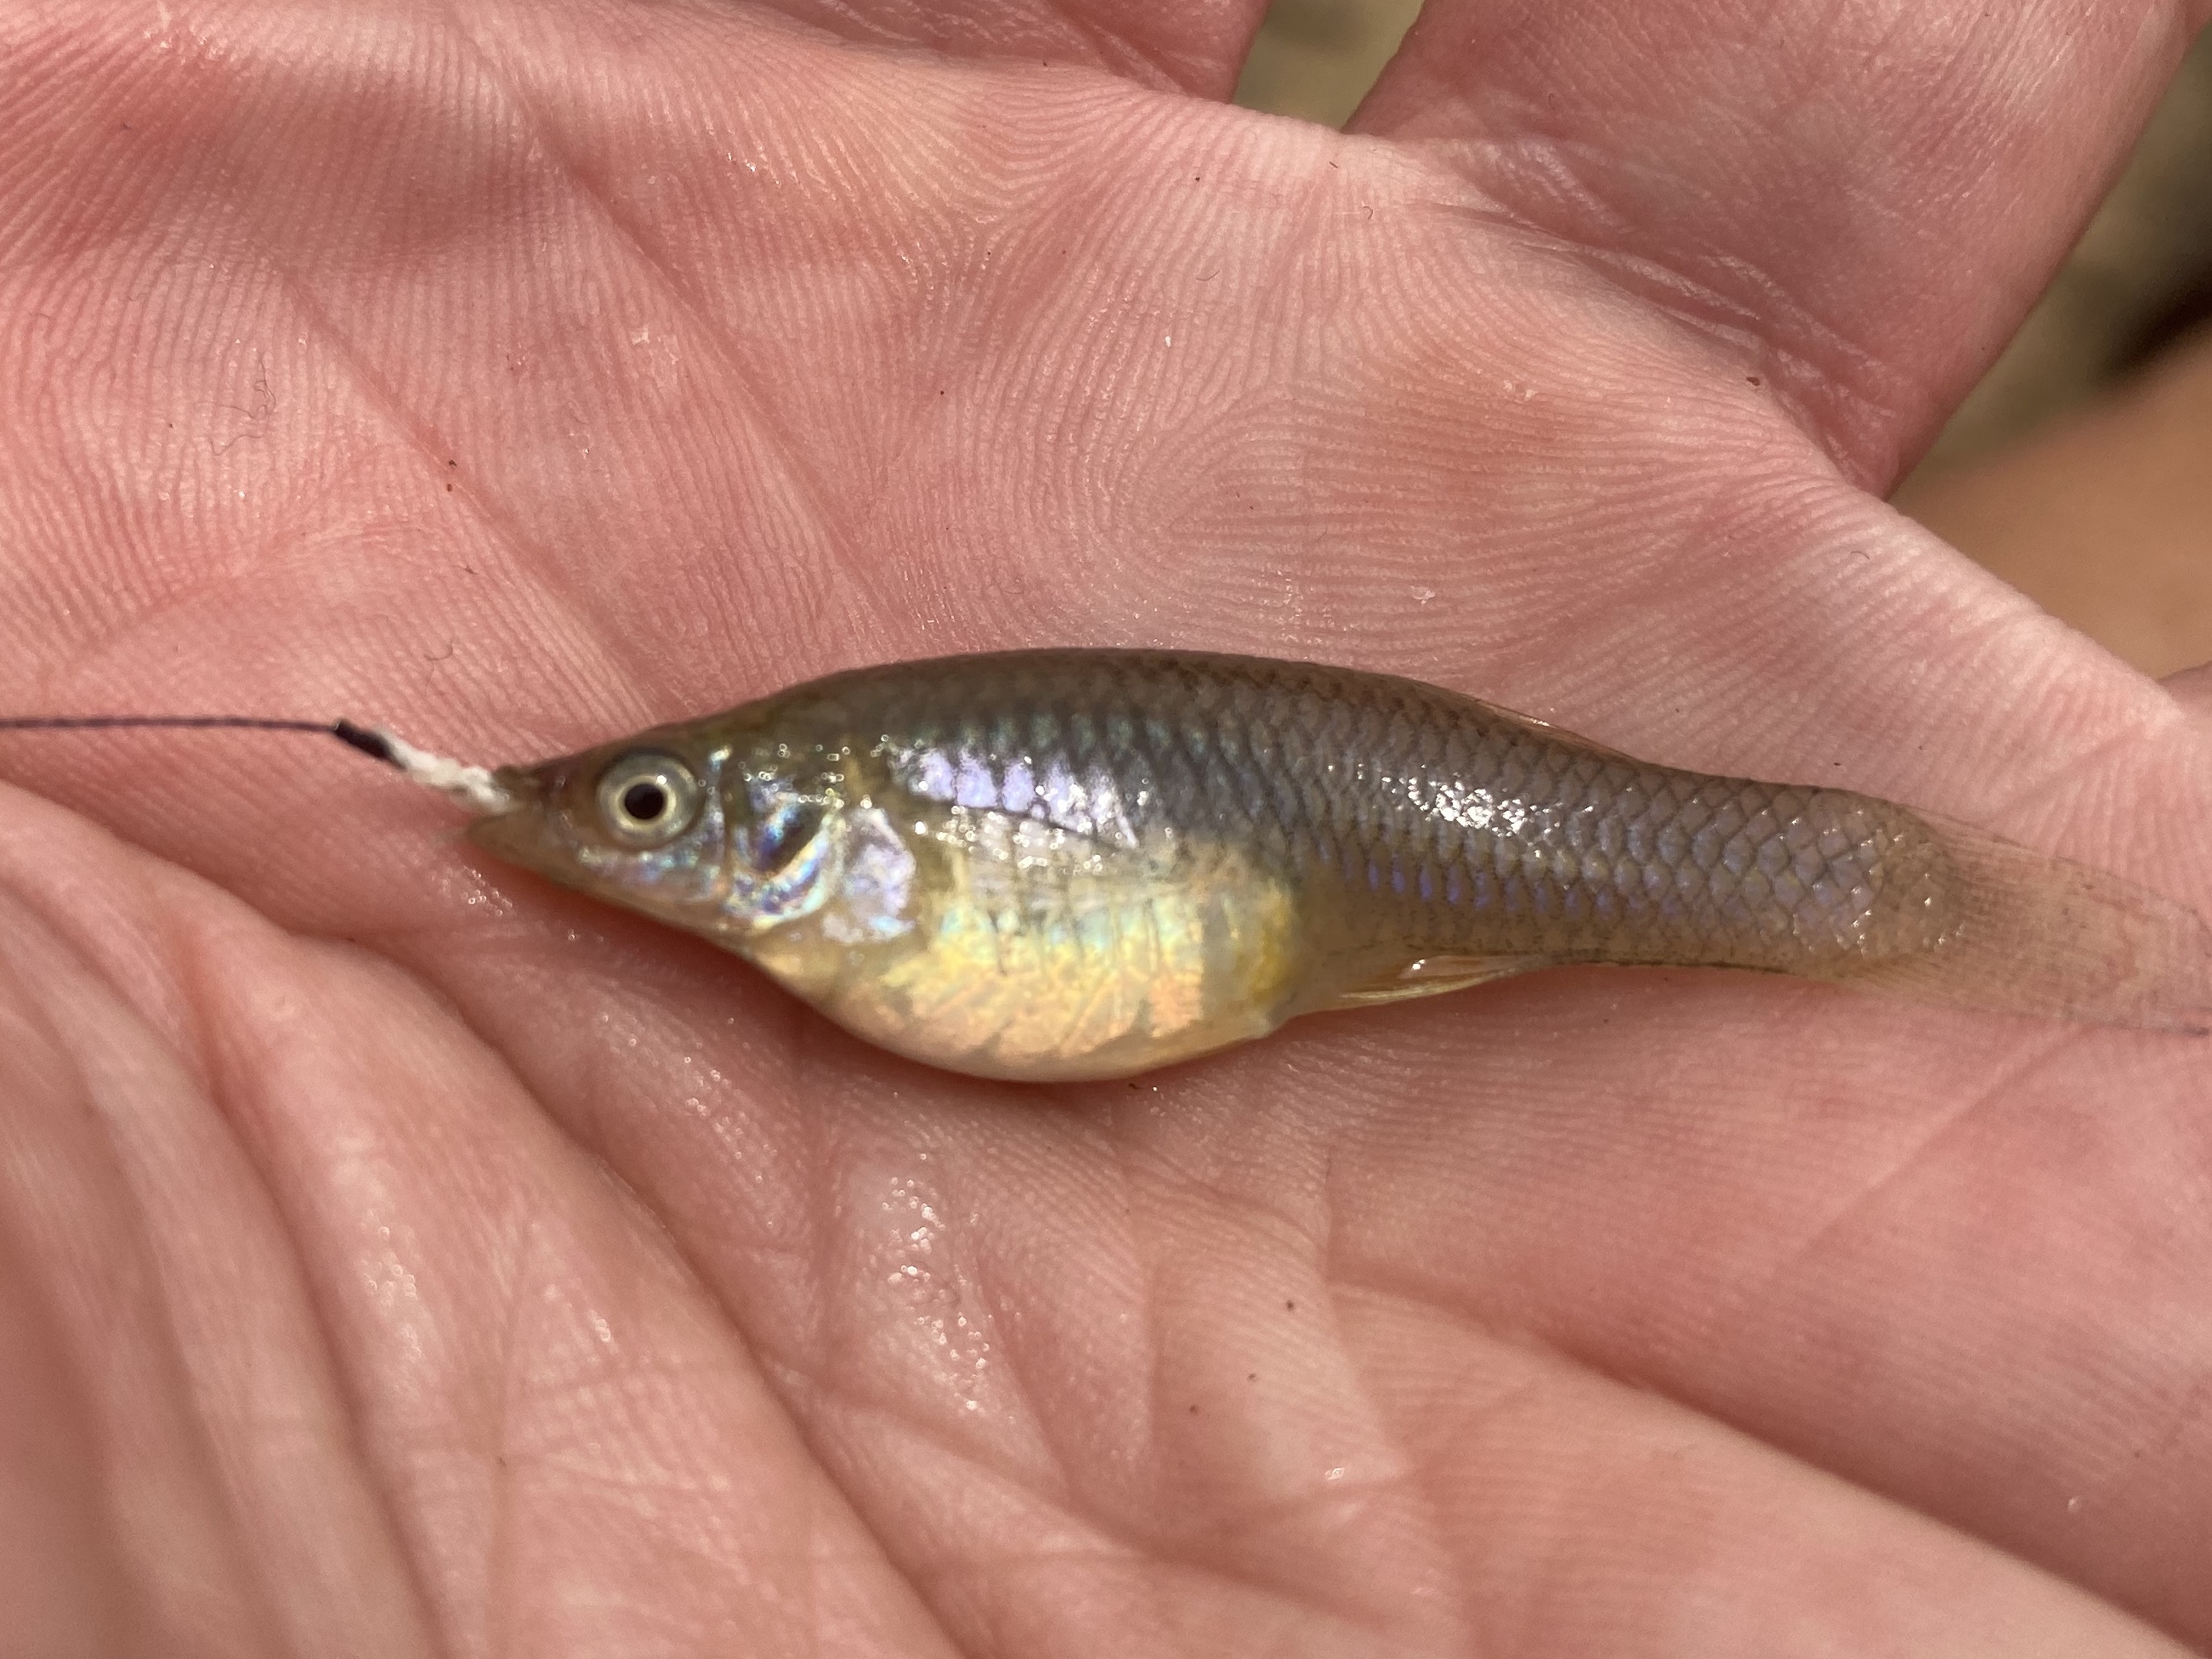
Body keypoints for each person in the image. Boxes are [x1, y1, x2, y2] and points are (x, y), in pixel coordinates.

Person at [0, 2, 2204, 1651]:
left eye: (658, 805)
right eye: (645, 806)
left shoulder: (870, 807)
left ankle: (1898, 885)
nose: (617, 833)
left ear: (802, 812)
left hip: (1314, 852)